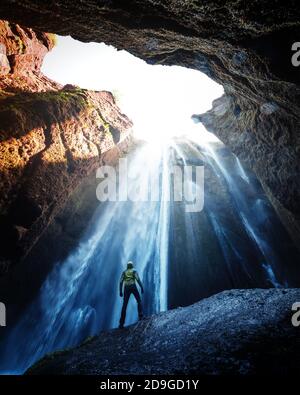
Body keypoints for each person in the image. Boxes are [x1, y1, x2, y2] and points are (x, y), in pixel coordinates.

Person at [119, 261, 144, 329]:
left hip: (126, 288)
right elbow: (138, 279)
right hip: (133, 286)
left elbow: (121, 282)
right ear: (132, 265)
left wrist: (120, 291)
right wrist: (141, 287)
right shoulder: (134, 271)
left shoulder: (124, 272)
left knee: (125, 305)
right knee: (139, 300)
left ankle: (121, 323)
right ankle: (141, 316)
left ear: (127, 266)